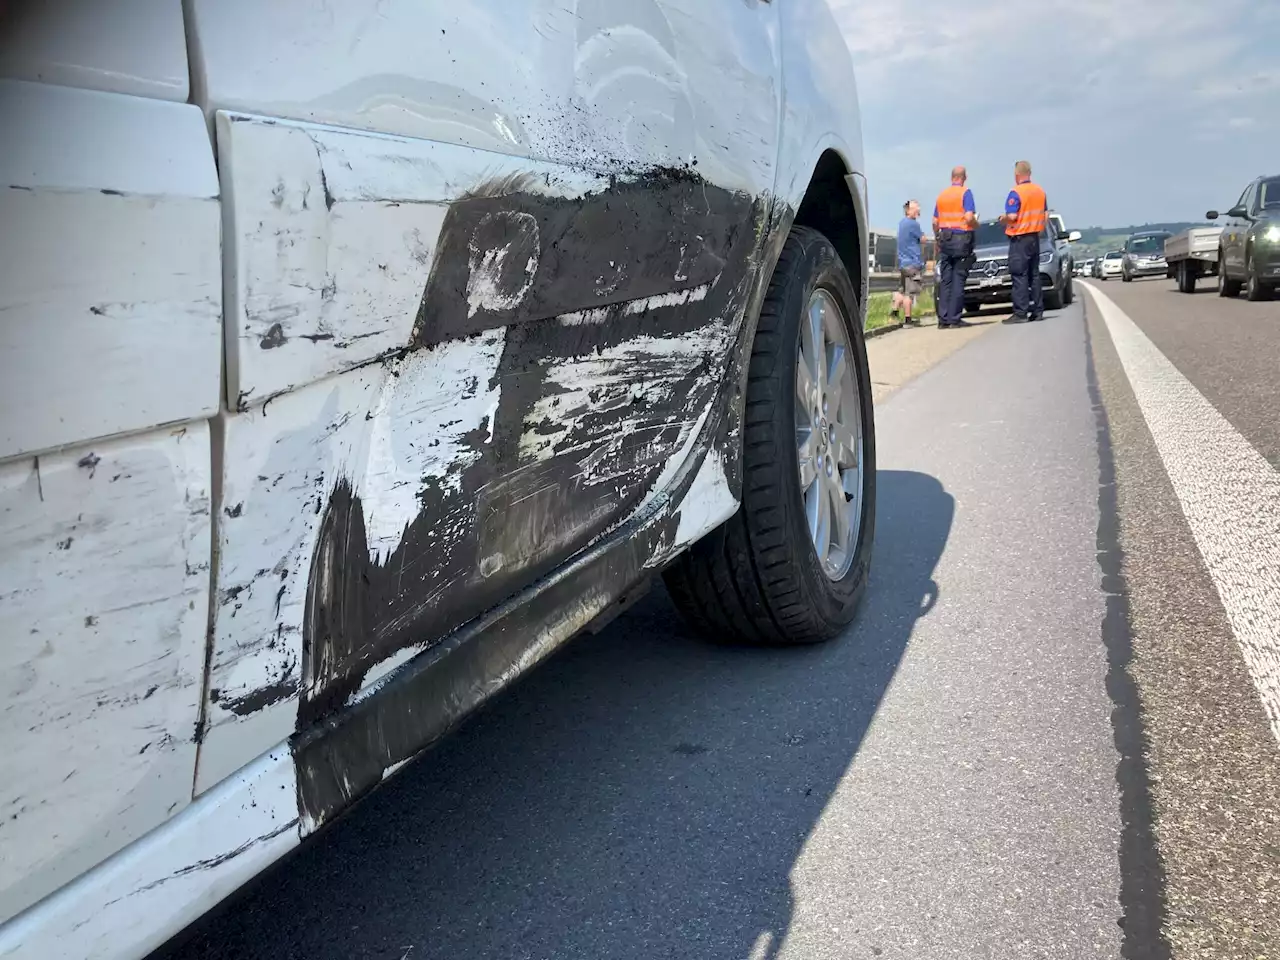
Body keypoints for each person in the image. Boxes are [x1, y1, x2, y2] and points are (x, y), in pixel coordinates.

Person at [998, 160, 1048, 323]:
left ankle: (1020, 313)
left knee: (1019, 275)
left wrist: (1002, 219)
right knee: (1034, 274)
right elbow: (1045, 215)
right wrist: (1039, 229)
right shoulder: (1039, 191)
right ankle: (1038, 311)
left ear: (1017, 175)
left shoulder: (1016, 192)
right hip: (1034, 237)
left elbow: (1012, 216)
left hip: (1019, 239)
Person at [932, 166, 978, 329]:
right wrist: (975, 224)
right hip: (961, 239)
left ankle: (943, 319)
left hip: (945, 239)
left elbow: (935, 222)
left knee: (946, 280)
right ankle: (954, 318)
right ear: (964, 177)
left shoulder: (942, 195)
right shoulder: (966, 193)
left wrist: (937, 240)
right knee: (958, 278)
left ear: (952, 177)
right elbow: (968, 217)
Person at [893, 199, 925, 326]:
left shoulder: (901, 223)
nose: (918, 210)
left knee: (902, 290)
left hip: (902, 263)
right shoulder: (913, 224)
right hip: (912, 263)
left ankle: (894, 312)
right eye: (916, 208)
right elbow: (922, 239)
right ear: (909, 210)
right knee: (909, 294)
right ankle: (908, 319)